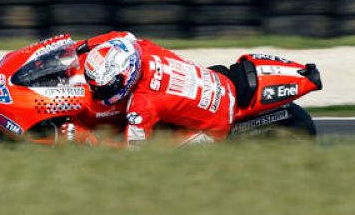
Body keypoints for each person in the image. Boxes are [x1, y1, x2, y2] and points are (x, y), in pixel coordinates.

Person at [75, 31, 236, 145]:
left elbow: (132, 152)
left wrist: (91, 140)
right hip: (221, 82)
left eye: (103, 88)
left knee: (159, 151)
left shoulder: (142, 104)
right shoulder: (144, 49)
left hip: (218, 125)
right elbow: (122, 36)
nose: (95, 93)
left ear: (126, 75)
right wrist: (80, 47)